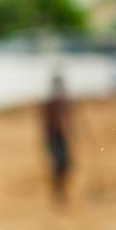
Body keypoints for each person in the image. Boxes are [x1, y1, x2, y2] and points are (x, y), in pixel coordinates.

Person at [41, 72, 73, 205]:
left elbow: (69, 120)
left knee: (66, 164)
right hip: (54, 137)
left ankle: (61, 191)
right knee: (58, 165)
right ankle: (57, 192)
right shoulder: (50, 103)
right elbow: (47, 123)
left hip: (62, 137)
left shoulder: (63, 101)